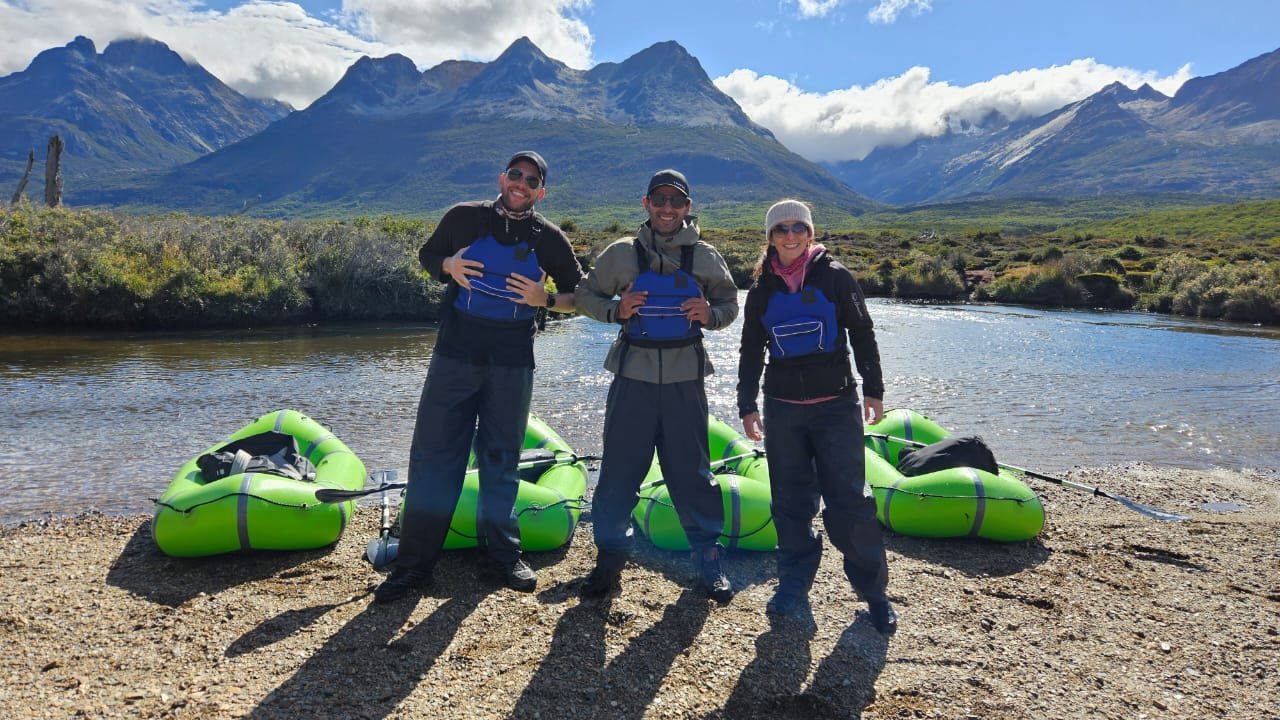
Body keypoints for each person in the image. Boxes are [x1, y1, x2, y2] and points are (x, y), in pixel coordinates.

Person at [374, 151, 582, 603]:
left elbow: (578, 295)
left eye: (531, 180)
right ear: (502, 178)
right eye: (515, 175)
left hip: (512, 359)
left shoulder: (549, 239)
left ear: (540, 192)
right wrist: (448, 266)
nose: (521, 184)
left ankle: (503, 556)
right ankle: (414, 566)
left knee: (501, 456)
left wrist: (543, 297)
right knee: (434, 455)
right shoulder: (463, 218)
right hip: (454, 355)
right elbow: (427, 256)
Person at [574, 169, 740, 602]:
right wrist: (616, 309)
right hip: (633, 379)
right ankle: (609, 563)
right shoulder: (620, 254)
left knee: (694, 474)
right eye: (659, 199)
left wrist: (711, 315)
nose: (667, 207)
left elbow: (728, 305)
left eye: (676, 201)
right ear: (646, 204)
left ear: (687, 207)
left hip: (686, 380)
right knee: (618, 474)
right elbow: (585, 295)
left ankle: (707, 561)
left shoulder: (706, 257)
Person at [736, 199, 897, 634]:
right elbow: (751, 348)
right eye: (781, 229)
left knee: (850, 502)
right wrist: (746, 404)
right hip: (783, 408)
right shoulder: (762, 289)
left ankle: (874, 593)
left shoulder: (835, 277)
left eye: (798, 227)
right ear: (769, 237)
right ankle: (793, 584)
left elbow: (863, 334)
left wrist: (874, 390)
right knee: (790, 503)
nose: (790, 235)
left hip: (836, 406)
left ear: (810, 232)